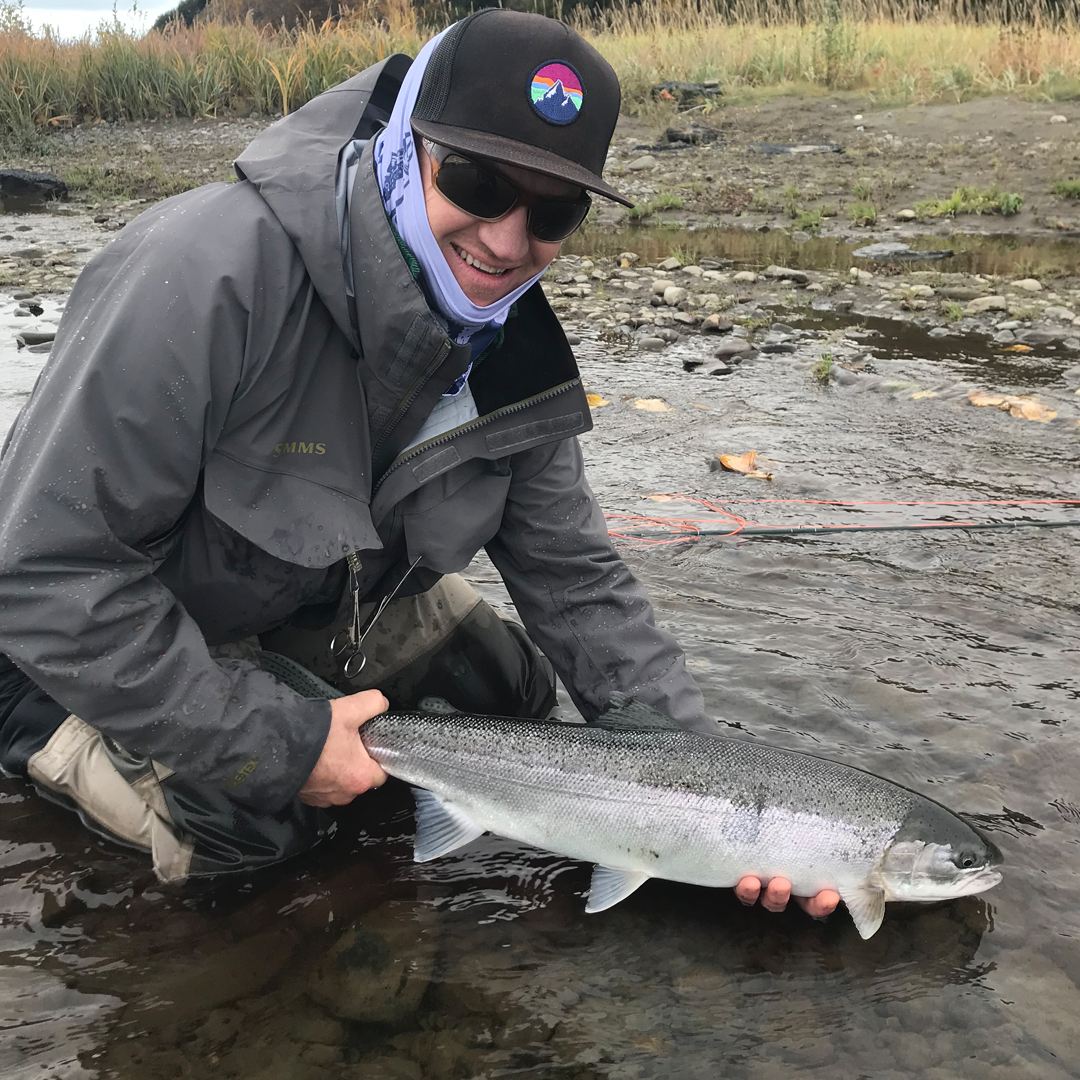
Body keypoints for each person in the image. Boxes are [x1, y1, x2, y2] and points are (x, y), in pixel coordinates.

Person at [0, 10, 837, 919]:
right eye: (476, 182)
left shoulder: (514, 352)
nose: (508, 242)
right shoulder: (207, 273)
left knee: (514, 689)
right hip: (61, 647)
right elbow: (42, 573)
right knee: (256, 828)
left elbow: (577, 582)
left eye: (553, 211)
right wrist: (278, 743)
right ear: (406, 147)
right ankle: (56, 747)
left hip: (298, 611)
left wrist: (719, 804)